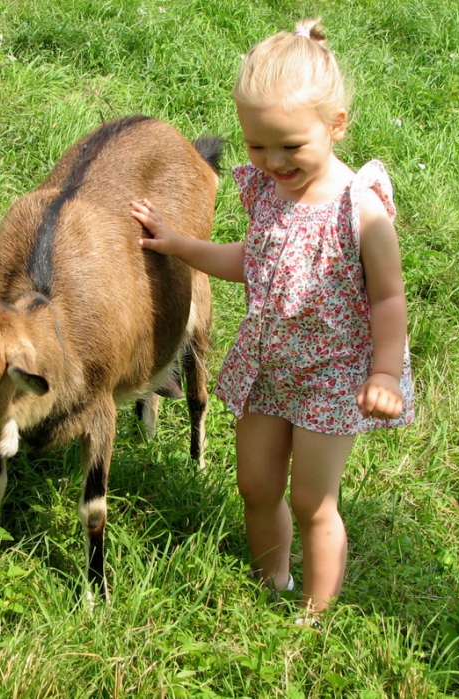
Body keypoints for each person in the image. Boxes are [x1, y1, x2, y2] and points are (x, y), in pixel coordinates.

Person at [130, 17, 414, 622]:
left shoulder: (360, 211)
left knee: (314, 501)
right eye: (257, 145)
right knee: (256, 486)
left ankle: (316, 611)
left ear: (336, 126)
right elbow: (252, 260)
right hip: (266, 366)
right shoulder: (266, 190)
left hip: (331, 377)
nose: (273, 161)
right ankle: (272, 585)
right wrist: (181, 245)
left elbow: (390, 299)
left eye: (291, 146)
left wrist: (385, 373)